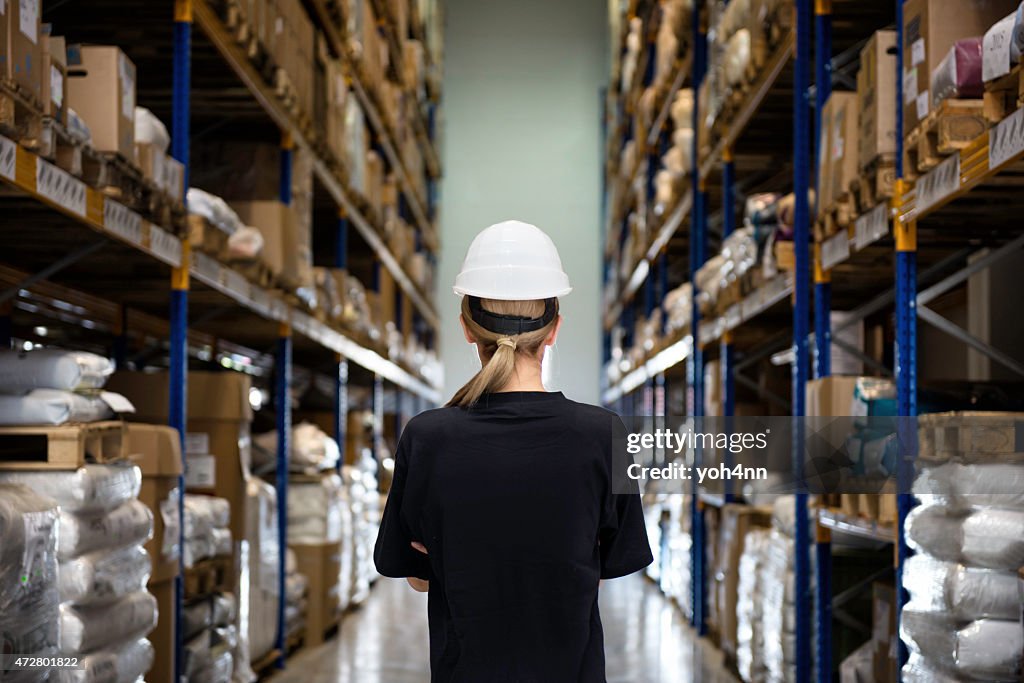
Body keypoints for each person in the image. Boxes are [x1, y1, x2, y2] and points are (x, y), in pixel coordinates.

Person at [374, 220, 653, 682]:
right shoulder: (605, 434)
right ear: (554, 330)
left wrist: (456, 551)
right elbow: (598, 569)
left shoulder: (427, 438)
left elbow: (419, 577)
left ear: (466, 328)